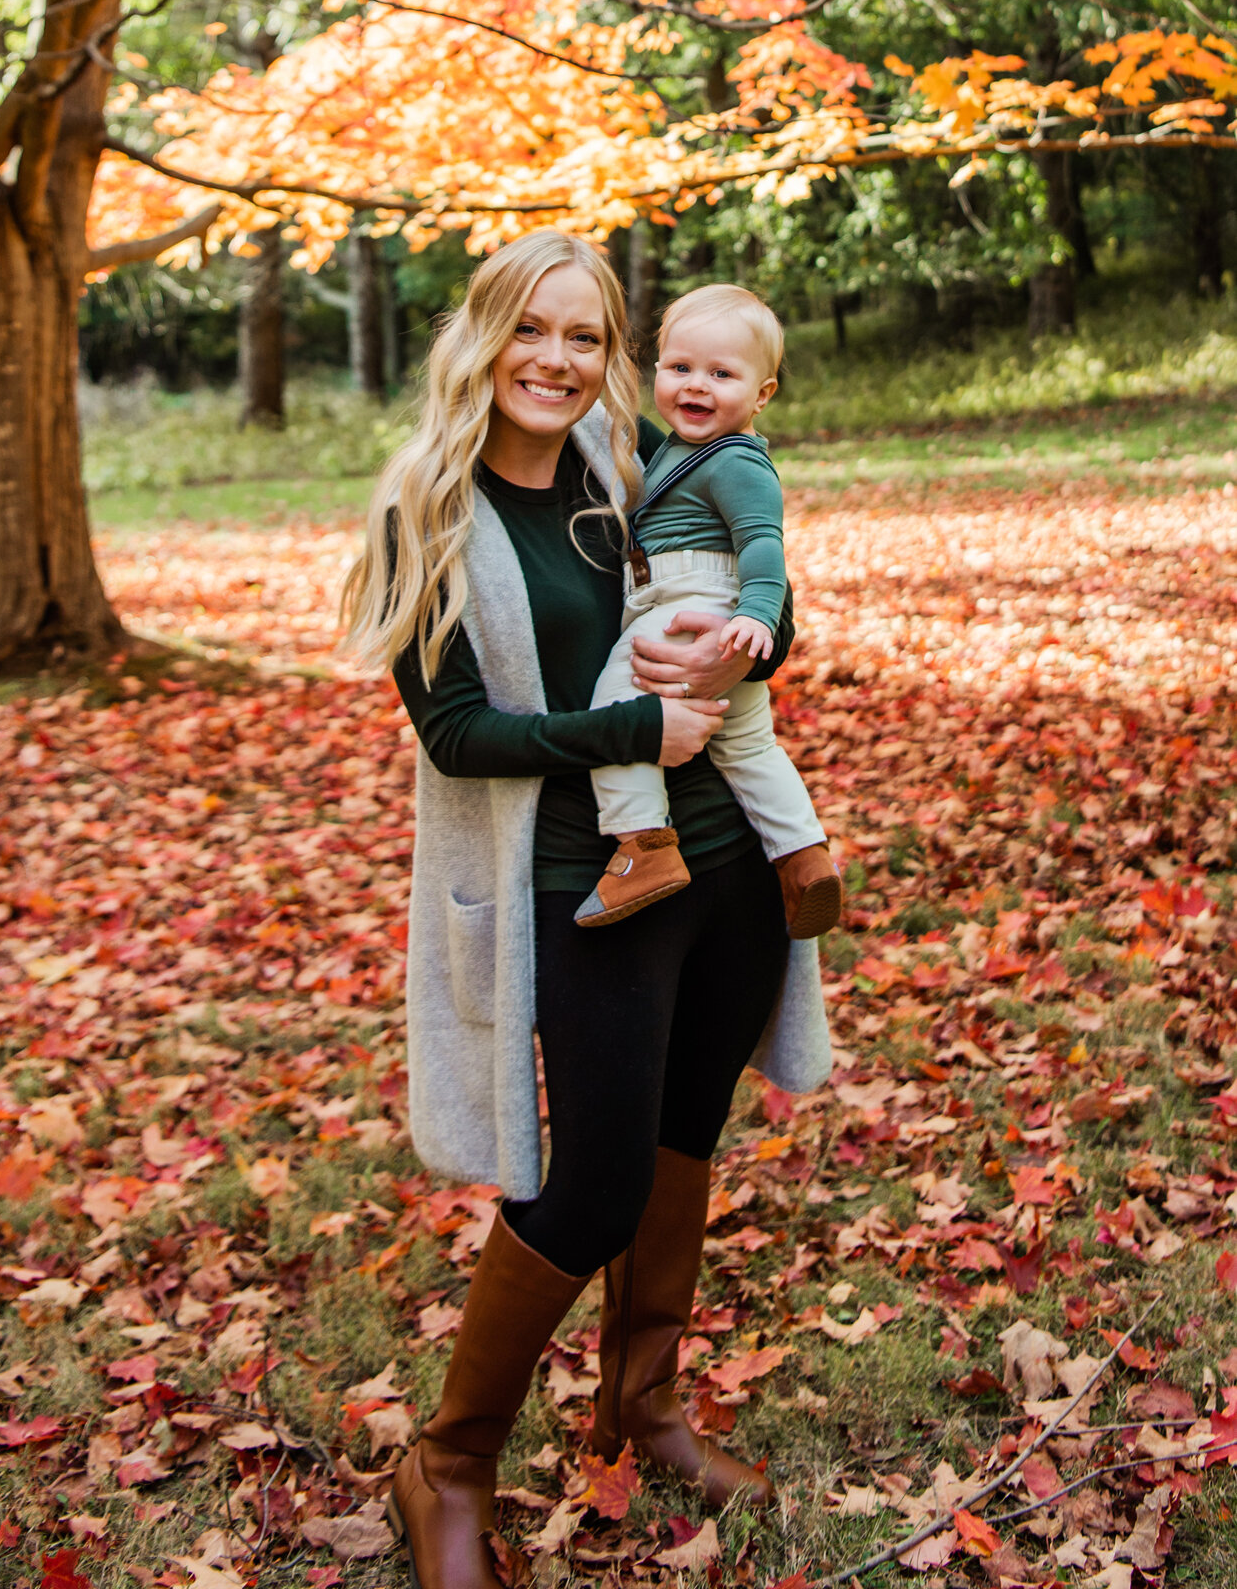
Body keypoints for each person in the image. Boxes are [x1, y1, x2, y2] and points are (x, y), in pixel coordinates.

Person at [343, 230, 832, 1589]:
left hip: (722, 856)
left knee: (686, 1131)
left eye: (583, 337)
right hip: (580, 877)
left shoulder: (629, 471)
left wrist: (756, 640)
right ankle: (444, 1461)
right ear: (481, 337)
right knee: (596, 1178)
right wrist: (630, 723)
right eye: (530, 330)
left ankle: (641, 1403)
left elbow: (753, 596)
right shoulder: (424, 513)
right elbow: (450, 732)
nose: (556, 362)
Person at [575, 283, 844, 935]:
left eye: (721, 374)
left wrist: (755, 617)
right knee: (750, 746)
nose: (696, 387)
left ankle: (643, 844)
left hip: (688, 602)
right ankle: (803, 858)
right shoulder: (674, 446)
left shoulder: (735, 462)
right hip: (698, 599)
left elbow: (761, 545)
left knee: (618, 711)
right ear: (656, 369)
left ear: (762, 394)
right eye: (680, 368)